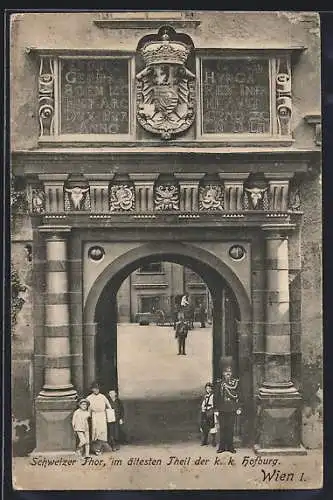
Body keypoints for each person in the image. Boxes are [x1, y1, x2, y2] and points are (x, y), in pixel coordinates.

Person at [214, 356, 241, 454]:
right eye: (226, 372)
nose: (228, 374)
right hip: (222, 409)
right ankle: (222, 447)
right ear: (223, 373)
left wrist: (238, 407)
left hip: (232, 408)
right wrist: (216, 409)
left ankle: (230, 447)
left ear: (232, 373)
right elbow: (216, 397)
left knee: (230, 428)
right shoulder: (219, 384)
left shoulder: (235, 383)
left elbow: (239, 395)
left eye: (229, 372)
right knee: (223, 428)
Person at [86, 382, 112, 455]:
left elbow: (109, 406)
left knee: (102, 431)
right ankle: (96, 449)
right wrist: (88, 415)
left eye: (97, 389)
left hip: (102, 415)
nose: (96, 390)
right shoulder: (89, 397)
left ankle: (101, 447)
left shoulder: (103, 396)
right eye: (94, 389)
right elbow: (87, 408)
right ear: (92, 389)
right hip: (94, 415)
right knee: (95, 431)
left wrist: (109, 414)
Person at [199, 382, 216, 446]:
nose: (208, 389)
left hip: (210, 411)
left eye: (209, 388)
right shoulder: (205, 396)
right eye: (207, 388)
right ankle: (204, 440)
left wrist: (213, 409)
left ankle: (213, 441)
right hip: (205, 411)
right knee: (204, 425)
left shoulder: (213, 396)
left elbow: (214, 404)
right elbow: (203, 404)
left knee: (212, 425)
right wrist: (203, 409)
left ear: (212, 389)